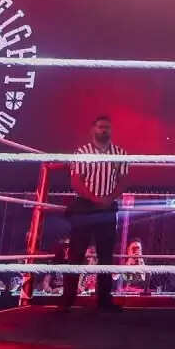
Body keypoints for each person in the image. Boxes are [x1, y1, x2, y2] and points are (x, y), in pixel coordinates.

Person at [62, 115, 129, 312]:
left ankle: (104, 300)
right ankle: (67, 299)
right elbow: (76, 181)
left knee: (106, 255)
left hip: (107, 207)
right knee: (76, 253)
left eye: (107, 127)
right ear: (93, 129)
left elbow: (124, 181)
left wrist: (109, 198)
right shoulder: (82, 152)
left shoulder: (120, 153)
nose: (104, 130)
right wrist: (94, 198)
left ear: (111, 130)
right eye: (100, 127)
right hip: (85, 206)